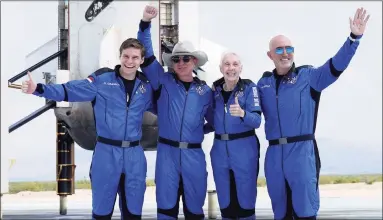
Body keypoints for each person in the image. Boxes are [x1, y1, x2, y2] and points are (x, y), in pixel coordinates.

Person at [256, 8, 370, 220]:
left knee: (305, 211)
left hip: (302, 154)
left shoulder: (309, 77)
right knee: (280, 213)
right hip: (273, 155)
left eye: (288, 48)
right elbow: (248, 111)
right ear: (270, 55)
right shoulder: (263, 84)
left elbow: (336, 65)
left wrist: (354, 38)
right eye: (279, 50)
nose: (285, 53)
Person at [21, 38, 153, 220]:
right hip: (106, 153)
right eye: (126, 56)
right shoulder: (102, 82)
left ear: (142, 60)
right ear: (120, 56)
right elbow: (70, 90)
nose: (129, 61)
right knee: (101, 211)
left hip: (134, 156)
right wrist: (39, 89)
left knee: (133, 212)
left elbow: (169, 108)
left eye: (135, 57)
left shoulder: (147, 88)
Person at [137, 5, 214, 220]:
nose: (180, 63)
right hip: (167, 154)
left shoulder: (206, 92)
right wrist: (145, 23)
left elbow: (216, 121)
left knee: (195, 210)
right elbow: (148, 56)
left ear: (194, 62)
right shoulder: (163, 81)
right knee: (166, 209)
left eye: (186, 59)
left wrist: (198, 130)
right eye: (176, 59)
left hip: (194, 155)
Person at [208, 52, 262, 219]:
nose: (231, 68)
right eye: (227, 64)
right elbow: (213, 122)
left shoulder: (249, 88)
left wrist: (242, 113)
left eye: (235, 64)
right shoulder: (214, 90)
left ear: (240, 68)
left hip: (244, 149)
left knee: (245, 202)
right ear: (220, 68)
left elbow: (257, 121)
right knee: (225, 202)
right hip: (219, 151)